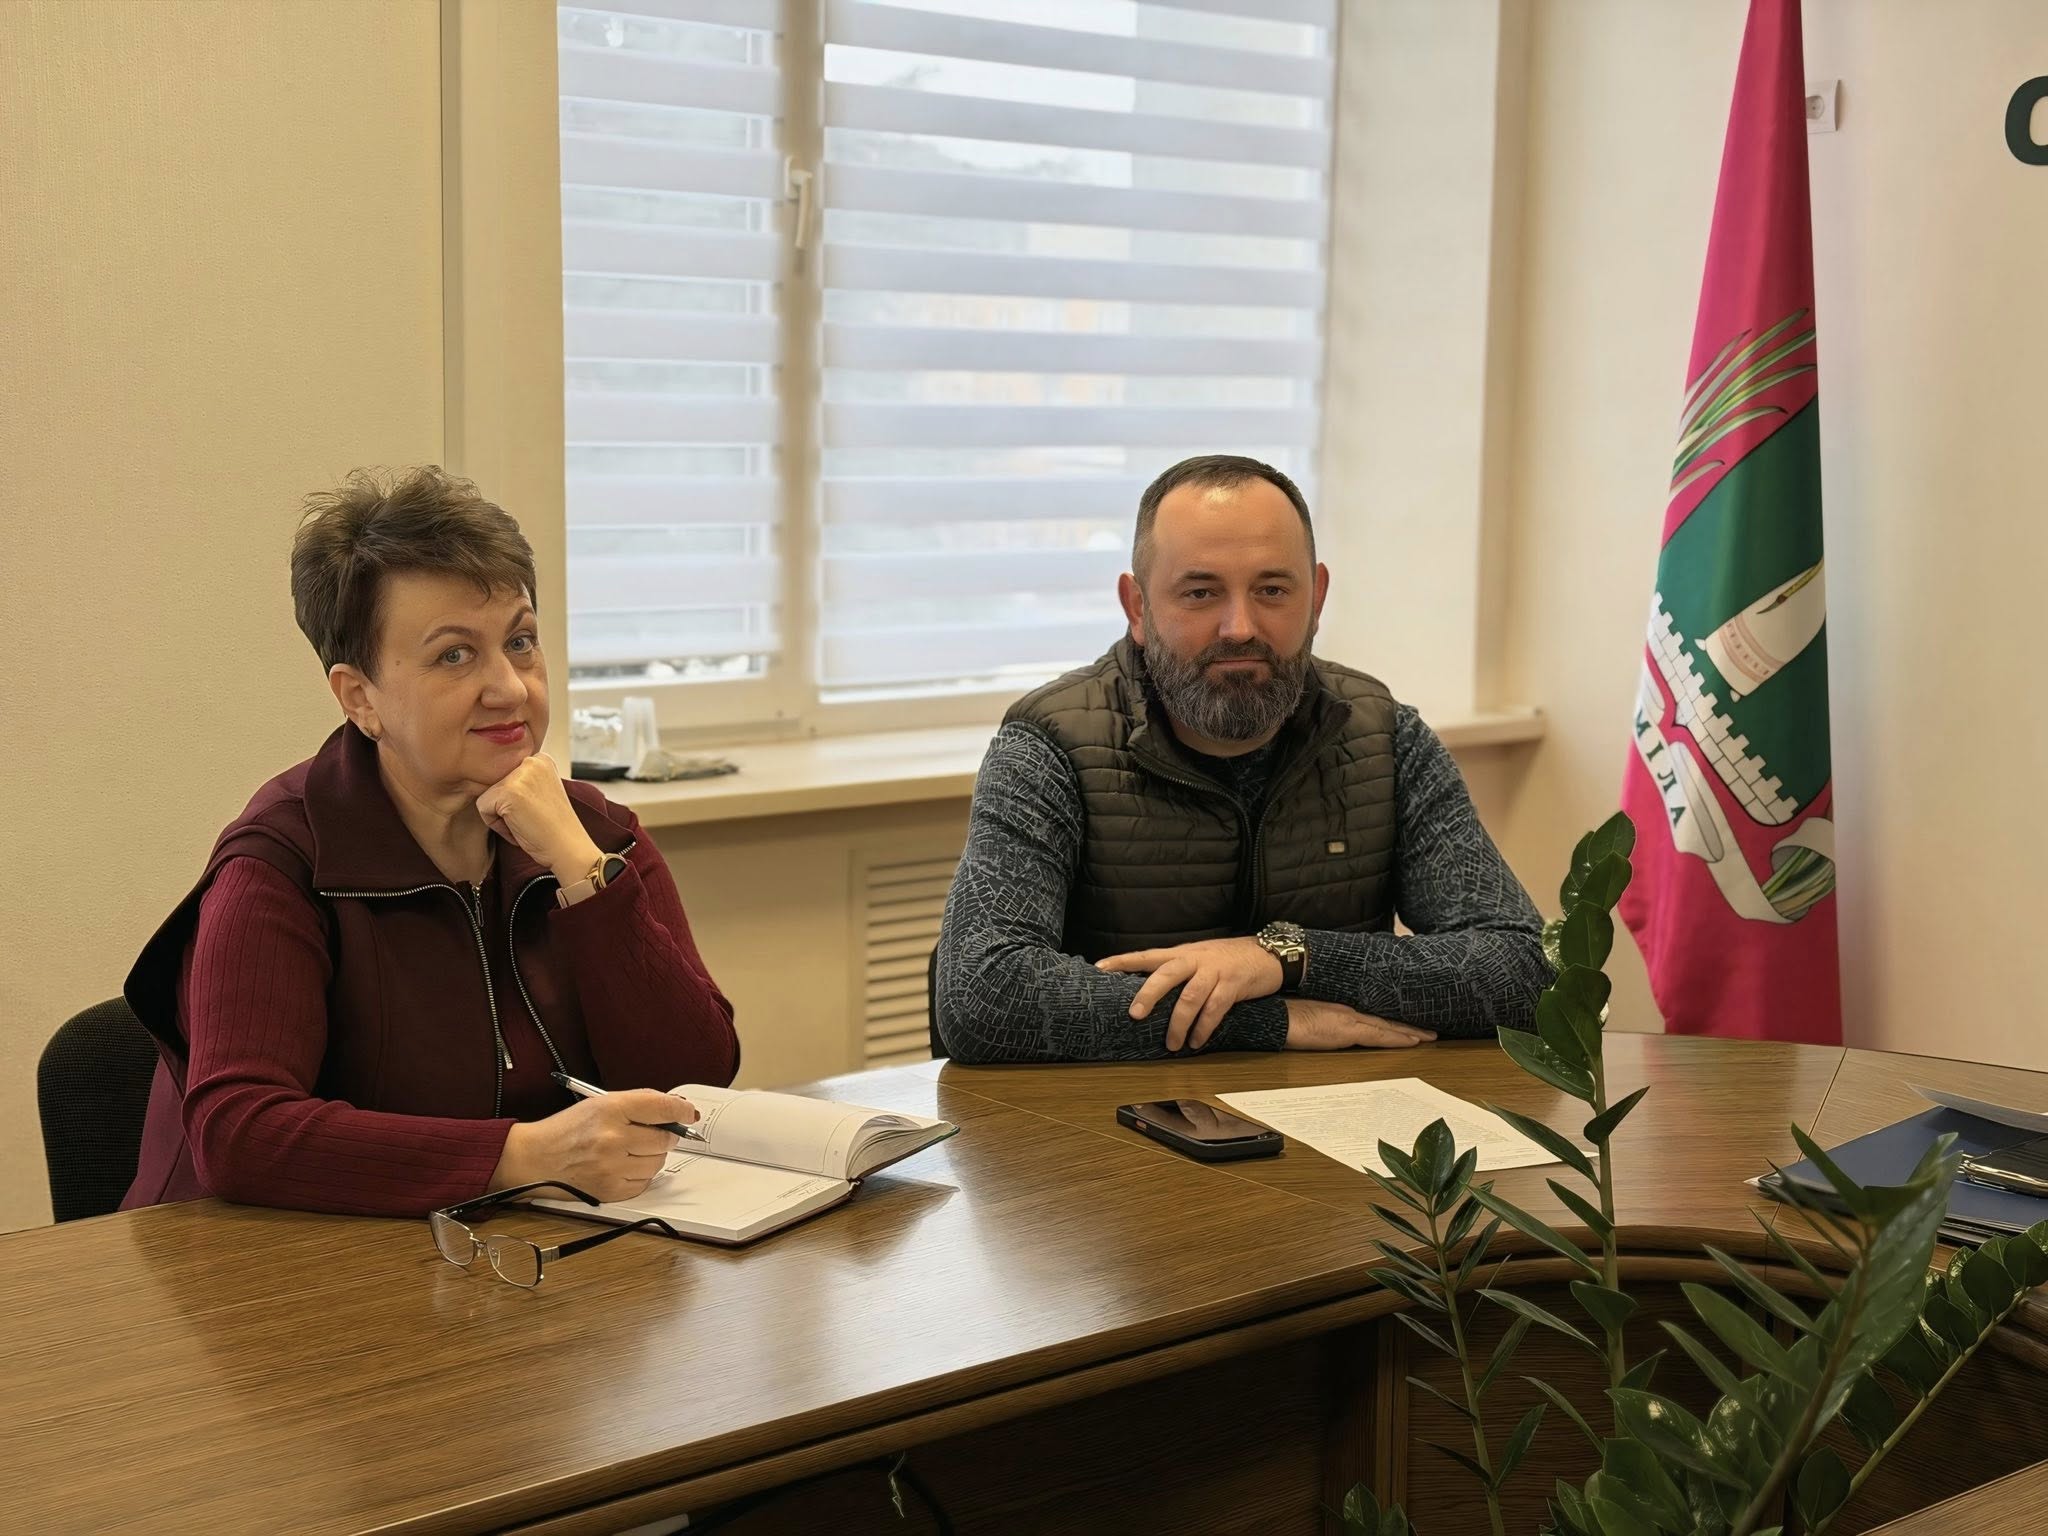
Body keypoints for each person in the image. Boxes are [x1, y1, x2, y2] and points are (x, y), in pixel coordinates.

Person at [122, 467, 739, 1215]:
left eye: (520, 641)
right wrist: (524, 1157)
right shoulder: (282, 862)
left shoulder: (596, 833)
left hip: (511, 1250)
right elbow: (240, 1133)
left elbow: (696, 1079)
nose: (510, 687)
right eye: (454, 655)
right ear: (361, 698)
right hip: (267, 1265)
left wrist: (582, 871)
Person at [933, 455, 1549, 1063]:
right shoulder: (1050, 746)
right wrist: (1271, 1020)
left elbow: (1525, 969)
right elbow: (982, 997)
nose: (1239, 627)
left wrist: (1285, 957)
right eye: (1201, 592)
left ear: (1317, 598)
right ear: (1138, 608)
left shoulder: (1384, 735)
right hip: (1112, 1113)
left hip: (1340, 1112)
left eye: (1272, 590)